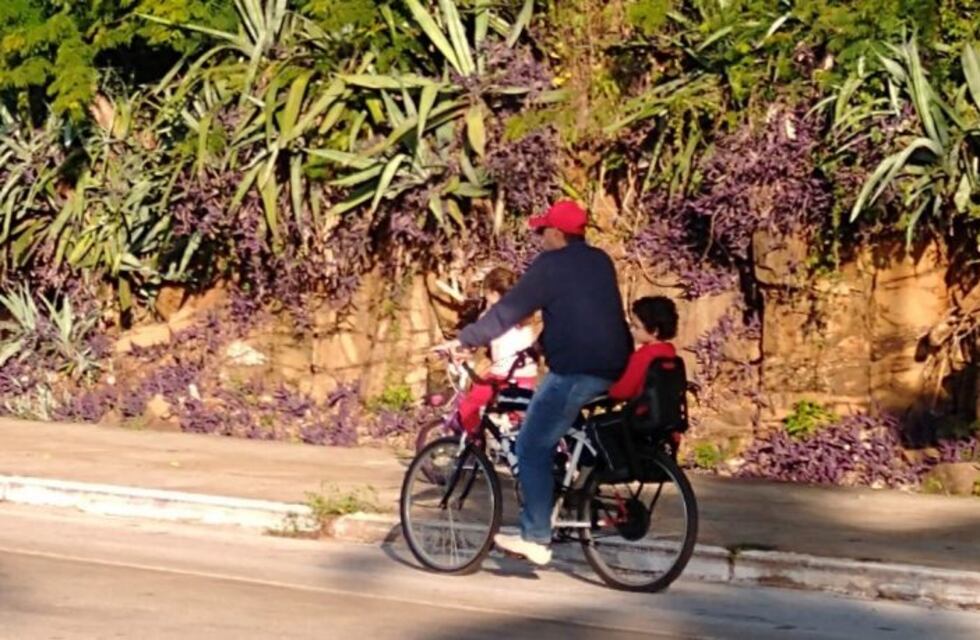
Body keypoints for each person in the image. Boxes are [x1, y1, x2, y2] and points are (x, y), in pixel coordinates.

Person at [436, 200, 632, 566]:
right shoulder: (600, 260)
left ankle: (536, 536)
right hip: (614, 366)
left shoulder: (550, 266)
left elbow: (509, 311)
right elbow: (583, 317)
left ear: (557, 233)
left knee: (530, 446)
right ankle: (569, 499)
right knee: (557, 435)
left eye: (543, 231)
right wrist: (540, 346)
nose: (540, 238)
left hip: (577, 372)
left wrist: (464, 340)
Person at [456, 267, 538, 434]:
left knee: (468, 408)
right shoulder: (527, 313)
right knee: (519, 422)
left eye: (486, 295)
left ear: (493, 293)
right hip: (527, 375)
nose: (485, 300)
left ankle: (476, 446)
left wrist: (462, 351)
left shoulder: (492, 315)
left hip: (502, 376)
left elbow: (480, 342)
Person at [607, 296, 679, 401]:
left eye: (636, 327)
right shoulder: (670, 353)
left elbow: (623, 391)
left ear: (654, 331)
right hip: (667, 413)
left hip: (642, 413)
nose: (632, 330)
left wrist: (611, 390)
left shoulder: (643, 356)